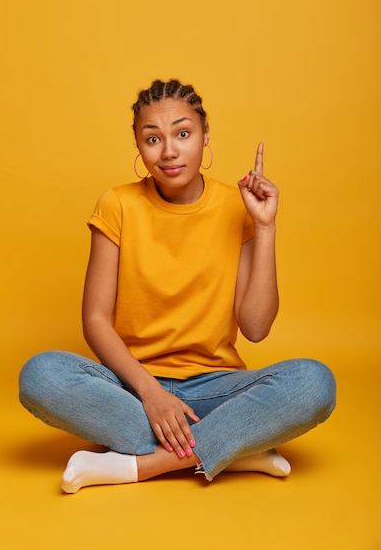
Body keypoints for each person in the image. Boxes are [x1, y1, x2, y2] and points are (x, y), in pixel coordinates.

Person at [19, 79, 336, 494]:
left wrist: (265, 226)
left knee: (314, 383)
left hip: (214, 388)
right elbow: (95, 320)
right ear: (139, 145)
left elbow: (256, 328)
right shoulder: (117, 205)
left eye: (183, 134)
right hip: (132, 388)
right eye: (153, 139)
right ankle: (234, 448)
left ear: (206, 137)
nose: (168, 151)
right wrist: (151, 394)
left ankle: (140, 466)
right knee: (39, 375)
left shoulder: (235, 207)